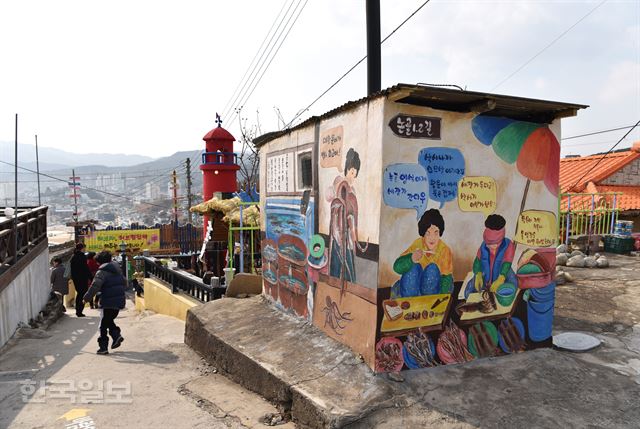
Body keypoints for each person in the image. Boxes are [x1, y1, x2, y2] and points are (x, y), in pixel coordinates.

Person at [327, 148, 368, 283]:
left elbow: (352, 214)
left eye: (355, 174)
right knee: (337, 265)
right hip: (338, 233)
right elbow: (332, 201)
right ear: (347, 170)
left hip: (349, 236)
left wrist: (354, 234)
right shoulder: (338, 183)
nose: (353, 176)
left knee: (349, 269)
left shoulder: (353, 191)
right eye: (351, 172)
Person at [391, 209, 454, 297]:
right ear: (423, 234)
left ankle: (427, 301)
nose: (432, 238)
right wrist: (411, 259)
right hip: (412, 290)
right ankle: (410, 301)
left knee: (432, 268)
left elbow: (446, 279)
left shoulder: (444, 250)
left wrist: (442, 298)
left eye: (436, 233)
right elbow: (397, 267)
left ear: (440, 233)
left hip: (431, 292)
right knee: (414, 267)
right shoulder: (418, 244)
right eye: (428, 234)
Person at [463, 214, 517, 299]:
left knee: (513, 290)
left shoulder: (508, 245)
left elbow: (507, 264)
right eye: (489, 244)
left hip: (504, 275)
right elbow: (477, 261)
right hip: (485, 277)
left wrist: (501, 278)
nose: (492, 247)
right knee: (468, 292)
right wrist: (478, 274)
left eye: (496, 244)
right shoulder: (483, 246)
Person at [83, 251, 126, 355]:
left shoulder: (101, 272)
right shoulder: (118, 270)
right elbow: (125, 282)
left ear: (99, 262)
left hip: (107, 301)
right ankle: (116, 336)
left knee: (103, 325)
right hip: (119, 301)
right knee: (108, 321)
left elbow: (94, 286)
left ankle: (103, 347)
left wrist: (86, 298)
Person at [69, 243, 91, 317]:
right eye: (84, 248)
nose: (85, 249)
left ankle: (78, 310)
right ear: (82, 248)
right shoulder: (82, 257)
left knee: (79, 293)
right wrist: (90, 277)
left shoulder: (73, 256)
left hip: (75, 279)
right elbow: (85, 268)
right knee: (83, 294)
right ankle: (79, 310)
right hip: (82, 278)